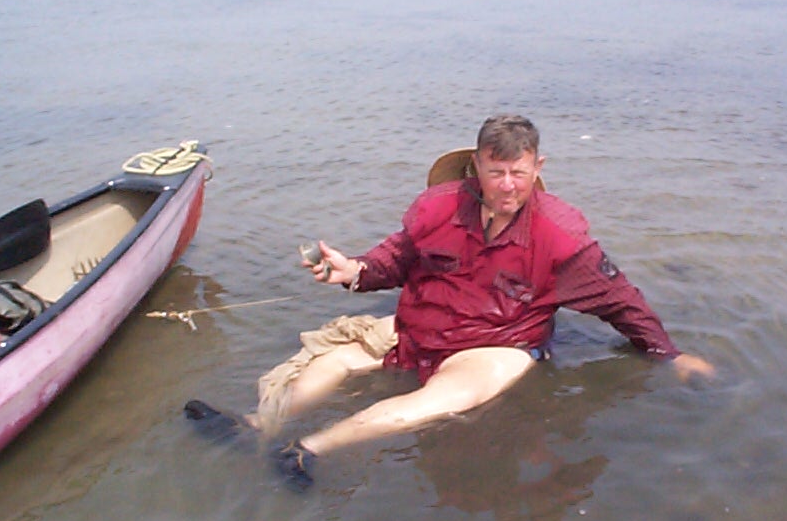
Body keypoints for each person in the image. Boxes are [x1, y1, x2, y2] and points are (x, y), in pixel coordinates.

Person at [191, 114, 714, 488]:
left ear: (538, 167)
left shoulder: (560, 236)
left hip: (496, 345)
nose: (507, 185)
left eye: (519, 172)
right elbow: (394, 259)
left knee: (439, 401)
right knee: (337, 357)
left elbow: (620, 300)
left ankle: (308, 450)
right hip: (423, 326)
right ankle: (258, 424)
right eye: (496, 171)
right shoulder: (440, 208)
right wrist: (352, 271)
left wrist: (670, 354)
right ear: (476, 168)